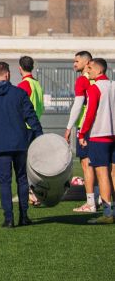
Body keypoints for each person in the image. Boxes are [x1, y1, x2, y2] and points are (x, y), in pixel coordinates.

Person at [0, 61, 43, 228]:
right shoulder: (19, 93)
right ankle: (24, 216)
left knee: (4, 182)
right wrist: (40, 136)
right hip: (20, 144)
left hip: (0, 146)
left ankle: (8, 219)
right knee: (22, 179)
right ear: (7, 74)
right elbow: (31, 116)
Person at [77, 58, 115, 225]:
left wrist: (82, 133)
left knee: (103, 174)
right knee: (114, 173)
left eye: (90, 68)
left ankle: (107, 213)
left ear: (99, 71)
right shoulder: (113, 85)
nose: (87, 71)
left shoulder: (94, 88)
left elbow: (90, 113)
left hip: (100, 136)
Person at [64, 50, 99, 213]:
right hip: (101, 127)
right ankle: (101, 198)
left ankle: (90, 202)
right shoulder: (100, 80)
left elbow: (78, 106)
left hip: (86, 127)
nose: (74, 64)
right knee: (101, 164)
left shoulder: (82, 81)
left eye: (76, 61)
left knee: (86, 165)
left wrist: (69, 127)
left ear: (87, 63)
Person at [15, 55, 44, 206]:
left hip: (25, 128)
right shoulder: (37, 84)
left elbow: (19, 108)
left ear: (20, 68)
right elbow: (42, 107)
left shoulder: (23, 85)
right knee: (34, 162)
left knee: (23, 162)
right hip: (36, 126)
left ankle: (28, 193)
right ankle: (35, 192)